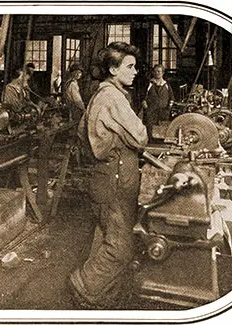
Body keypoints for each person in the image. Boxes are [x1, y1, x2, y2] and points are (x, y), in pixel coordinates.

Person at [70, 42, 148, 308]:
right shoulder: (113, 97)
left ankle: (103, 296)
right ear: (113, 69)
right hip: (114, 180)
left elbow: (82, 133)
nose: (135, 71)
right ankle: (82, 287)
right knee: (120, 248)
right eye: (129, 66)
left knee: (108, 237)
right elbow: (140, 136)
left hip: (107, 175)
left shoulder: (100, 95)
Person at [141, 64, 174, 139]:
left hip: (163, 112)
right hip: (151, 111)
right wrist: (145, 107)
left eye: (159, 71)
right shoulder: (149, 84)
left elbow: (172, 98)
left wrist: (168, 109)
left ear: (162, 73)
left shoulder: (166, 85)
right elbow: (142, 97)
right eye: (155, 71)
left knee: (162, 130)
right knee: (149, 130)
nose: (157, 73)